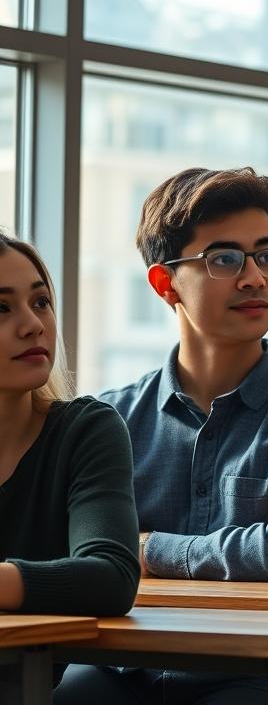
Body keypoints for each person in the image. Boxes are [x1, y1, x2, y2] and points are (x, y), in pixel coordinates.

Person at [56, 167, 268, 705]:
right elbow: (73, 556)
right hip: (120, 669)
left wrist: (147, 547)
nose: (255, 278)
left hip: (261, 674)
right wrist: (251, 542)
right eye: (225, 259)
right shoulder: (106, 420)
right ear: (165, 283)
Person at [0, 233, 139, 619]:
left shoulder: (86, 430)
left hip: (29, 677)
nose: (33, 324)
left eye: (40, 302)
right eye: (1, 308)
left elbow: (112, 578)